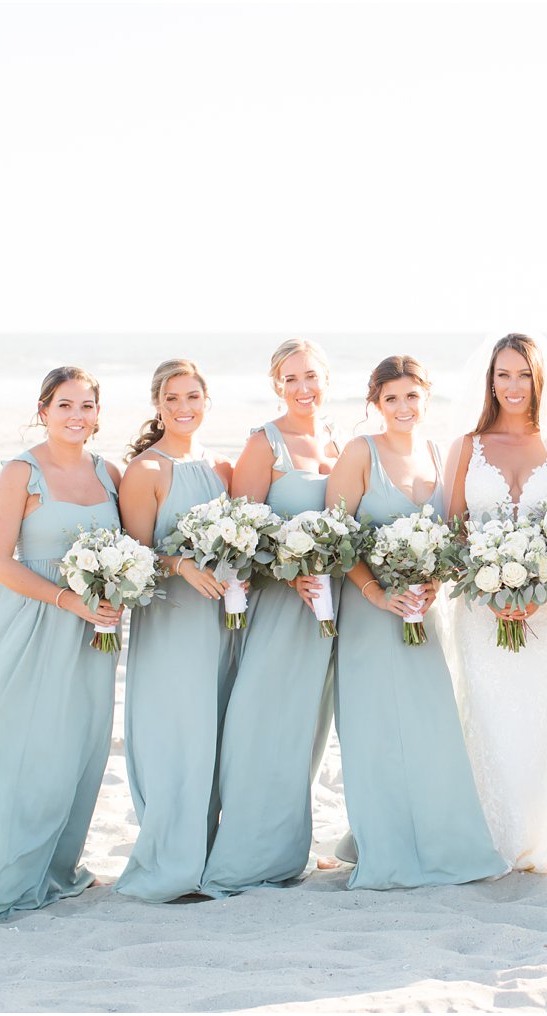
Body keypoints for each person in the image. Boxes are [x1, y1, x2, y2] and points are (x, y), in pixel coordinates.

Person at [0, 366, 122, 921]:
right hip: (28, 624)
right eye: (64, 406)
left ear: (97, 414)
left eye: (86, 406)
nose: (76, 416)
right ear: (43, 411)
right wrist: (67, 600)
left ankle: (55, 866)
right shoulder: (21, 473)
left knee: (74, 751)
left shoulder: (110, 473)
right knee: (12, 749)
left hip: (92, 634)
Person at [328, 355, 508, 889]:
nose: (403, 408)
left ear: (426, 399)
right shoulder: (360, 453)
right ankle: (381, 842)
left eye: (412, 397)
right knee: (376, 730)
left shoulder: (439, 455)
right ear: (375, 404)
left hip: (422, 615)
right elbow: (335, 539)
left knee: (430, 727)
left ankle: (436, 838)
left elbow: (452, 536)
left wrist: (434, 583)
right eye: (391, 399)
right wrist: (376, 592)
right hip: (367, 614)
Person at [202, 340, 344, 894]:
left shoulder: (338, 441)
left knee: (307, 729)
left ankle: (285, 849)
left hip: (328, 610)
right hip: (281, 606)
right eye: (291, 379)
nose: (303, 387)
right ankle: (247, 852)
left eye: (311, 375)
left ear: (327, 378)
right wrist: (291, 574)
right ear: (276, 386)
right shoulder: (264, 443)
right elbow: (239, 538)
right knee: (262, 723)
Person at [444, 333, 547, 872]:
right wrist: (486, 587)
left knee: (543, 713)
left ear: (539, 379)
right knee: (485, 709)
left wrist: (540, 587)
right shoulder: (466, 446)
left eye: (523, 375)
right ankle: (491, 833)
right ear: (489, 380)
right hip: (480, 611)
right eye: (503, 375)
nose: (513, 386)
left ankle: (536, 837)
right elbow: (454, 529)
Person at [114, 359, 238, 902]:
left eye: (193, 397)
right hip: (171, 620)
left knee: (213, 733)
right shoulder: (145, 471)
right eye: (172, 399)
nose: (184, 408)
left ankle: (208, 852)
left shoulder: (223, 468)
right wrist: (182, 565)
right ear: (157, 405)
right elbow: (134, 555)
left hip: (222, 619)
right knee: (176, 734)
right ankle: (170, 859)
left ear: (207, 401)